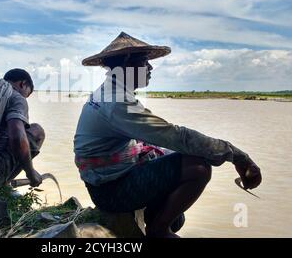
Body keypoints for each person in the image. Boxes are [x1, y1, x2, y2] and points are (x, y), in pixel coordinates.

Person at [73, 32, 262, 238]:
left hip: (109, 179)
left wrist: (213, 153)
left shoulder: (111, 93)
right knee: (197, 168)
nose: (150, 68)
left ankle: (159, 223)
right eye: (145, 62)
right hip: (110, 191)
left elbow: (162, 139)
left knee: (177, 214)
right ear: (127, 64)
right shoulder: (116, 102)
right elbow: (175, 136)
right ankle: (158, 230)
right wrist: (235, 154)